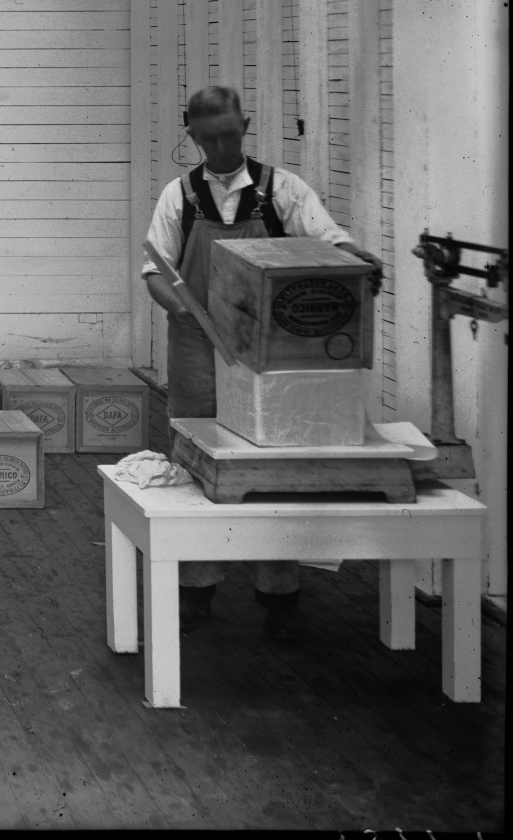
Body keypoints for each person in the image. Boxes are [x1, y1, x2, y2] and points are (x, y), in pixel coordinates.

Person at [140, 87, 384, 642]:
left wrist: (355, 256)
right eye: (210, 137)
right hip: (199, 346)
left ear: (246, 124)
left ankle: (279, 595)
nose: (223, 146)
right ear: (192, 134)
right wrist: (178, 304)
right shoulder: (178, 196)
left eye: (232, 134)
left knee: (275, 469)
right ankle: (197, 589)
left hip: (269, 353)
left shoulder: (283, 190)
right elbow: (153, 269)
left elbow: (328, 238)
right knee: (199, 467)